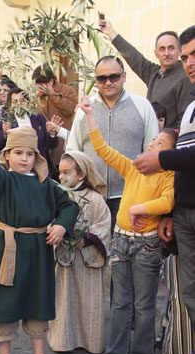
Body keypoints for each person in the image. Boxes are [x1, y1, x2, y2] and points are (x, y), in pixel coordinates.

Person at [79, 96, 176, 354]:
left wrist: (138, 208)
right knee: (120, 302)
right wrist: (89, 116)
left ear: (169, 155)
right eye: (153, 141)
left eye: (160, 144)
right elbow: (103, 150)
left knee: (144, 306)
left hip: (146, 245)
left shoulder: (168, 175)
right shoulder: (134, 167)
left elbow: (169, 200)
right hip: (121, 241)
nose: (152, 145)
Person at [0, 124, 78, 354]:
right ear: (8, 155)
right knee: (6, 300)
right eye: (19, 152)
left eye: (30, 153)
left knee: (37, 301)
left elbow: (69, 206)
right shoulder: (3, 181)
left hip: (37, 249)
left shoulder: (47, 184)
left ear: (38, 157)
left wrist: (60, 225)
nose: (24, 158)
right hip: (9, 248)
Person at [134, 25, 195, 354]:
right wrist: (171, 213)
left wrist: (162, 159)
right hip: (186, 216)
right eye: (186, 57)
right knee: (191, 295)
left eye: (192, 55)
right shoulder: (189, 110)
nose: (189, 63)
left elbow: (181, 158)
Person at [67, 55, 158, 232]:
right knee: (91, 255)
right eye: (102, 78)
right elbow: (73, 151)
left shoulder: (142, 106)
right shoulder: (85, 110)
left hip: (130, 198)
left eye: (113, 77)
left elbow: (152, 154)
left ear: (123, 76)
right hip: (91, 196)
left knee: (124, 256)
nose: (108, 82)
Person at [47, 151, 111, 353]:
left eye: (67, 172)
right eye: (60, 172)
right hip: (65, 258)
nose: (62, 177)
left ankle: (91, 341)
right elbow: (48, 218)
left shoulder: (96, 200)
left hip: (88, 258)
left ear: (82, 174)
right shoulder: (58, 195)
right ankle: (63, 341)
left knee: (89, 300)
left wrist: (86, 237)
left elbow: (103, 224)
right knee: (65, 299)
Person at [100, 21, 193, 129]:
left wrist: (172, 140)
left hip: (170, 143)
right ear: (156, 53)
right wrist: (111, 33)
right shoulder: (154, 73)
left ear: (179, 51)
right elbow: (134, 57)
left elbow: (186, 119)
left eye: (171, 48)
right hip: (153, 141)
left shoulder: (186, 76)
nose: (167, 53)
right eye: (162, 49)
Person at [32, 63, 78, 169]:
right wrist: (34, 99)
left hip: (62, 140)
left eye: (40, 84)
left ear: (51, 82)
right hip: (44, 142)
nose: (37, 87)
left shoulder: (67, 90)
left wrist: (53, 95)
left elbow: (70, 109)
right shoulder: (38, 95)